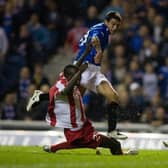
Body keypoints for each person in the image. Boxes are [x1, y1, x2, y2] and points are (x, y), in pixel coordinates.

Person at [27, 63, 137, 155]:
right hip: (75, 128)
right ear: (70, 77)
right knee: (112, 144)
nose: (80, 79)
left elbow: (75, 66)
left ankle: (53, 148)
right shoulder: (63, 89)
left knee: (94, 144)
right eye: (77, 77)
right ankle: (53, 148)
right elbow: (66, 91)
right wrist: (79, 73)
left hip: (83, 125)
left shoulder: (64, 77)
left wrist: (86, 54)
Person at [74, 11, 127, 139]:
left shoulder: (104, 31)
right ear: (106, 21)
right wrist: (98, 51)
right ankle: (42, 97)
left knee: (113, 96)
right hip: (83, 69)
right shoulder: (100, 29)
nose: (114, 28)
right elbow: (95, 39)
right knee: (71, 99)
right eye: (113, 24)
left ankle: (111, 131)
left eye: (117, 26)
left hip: (94, 70)